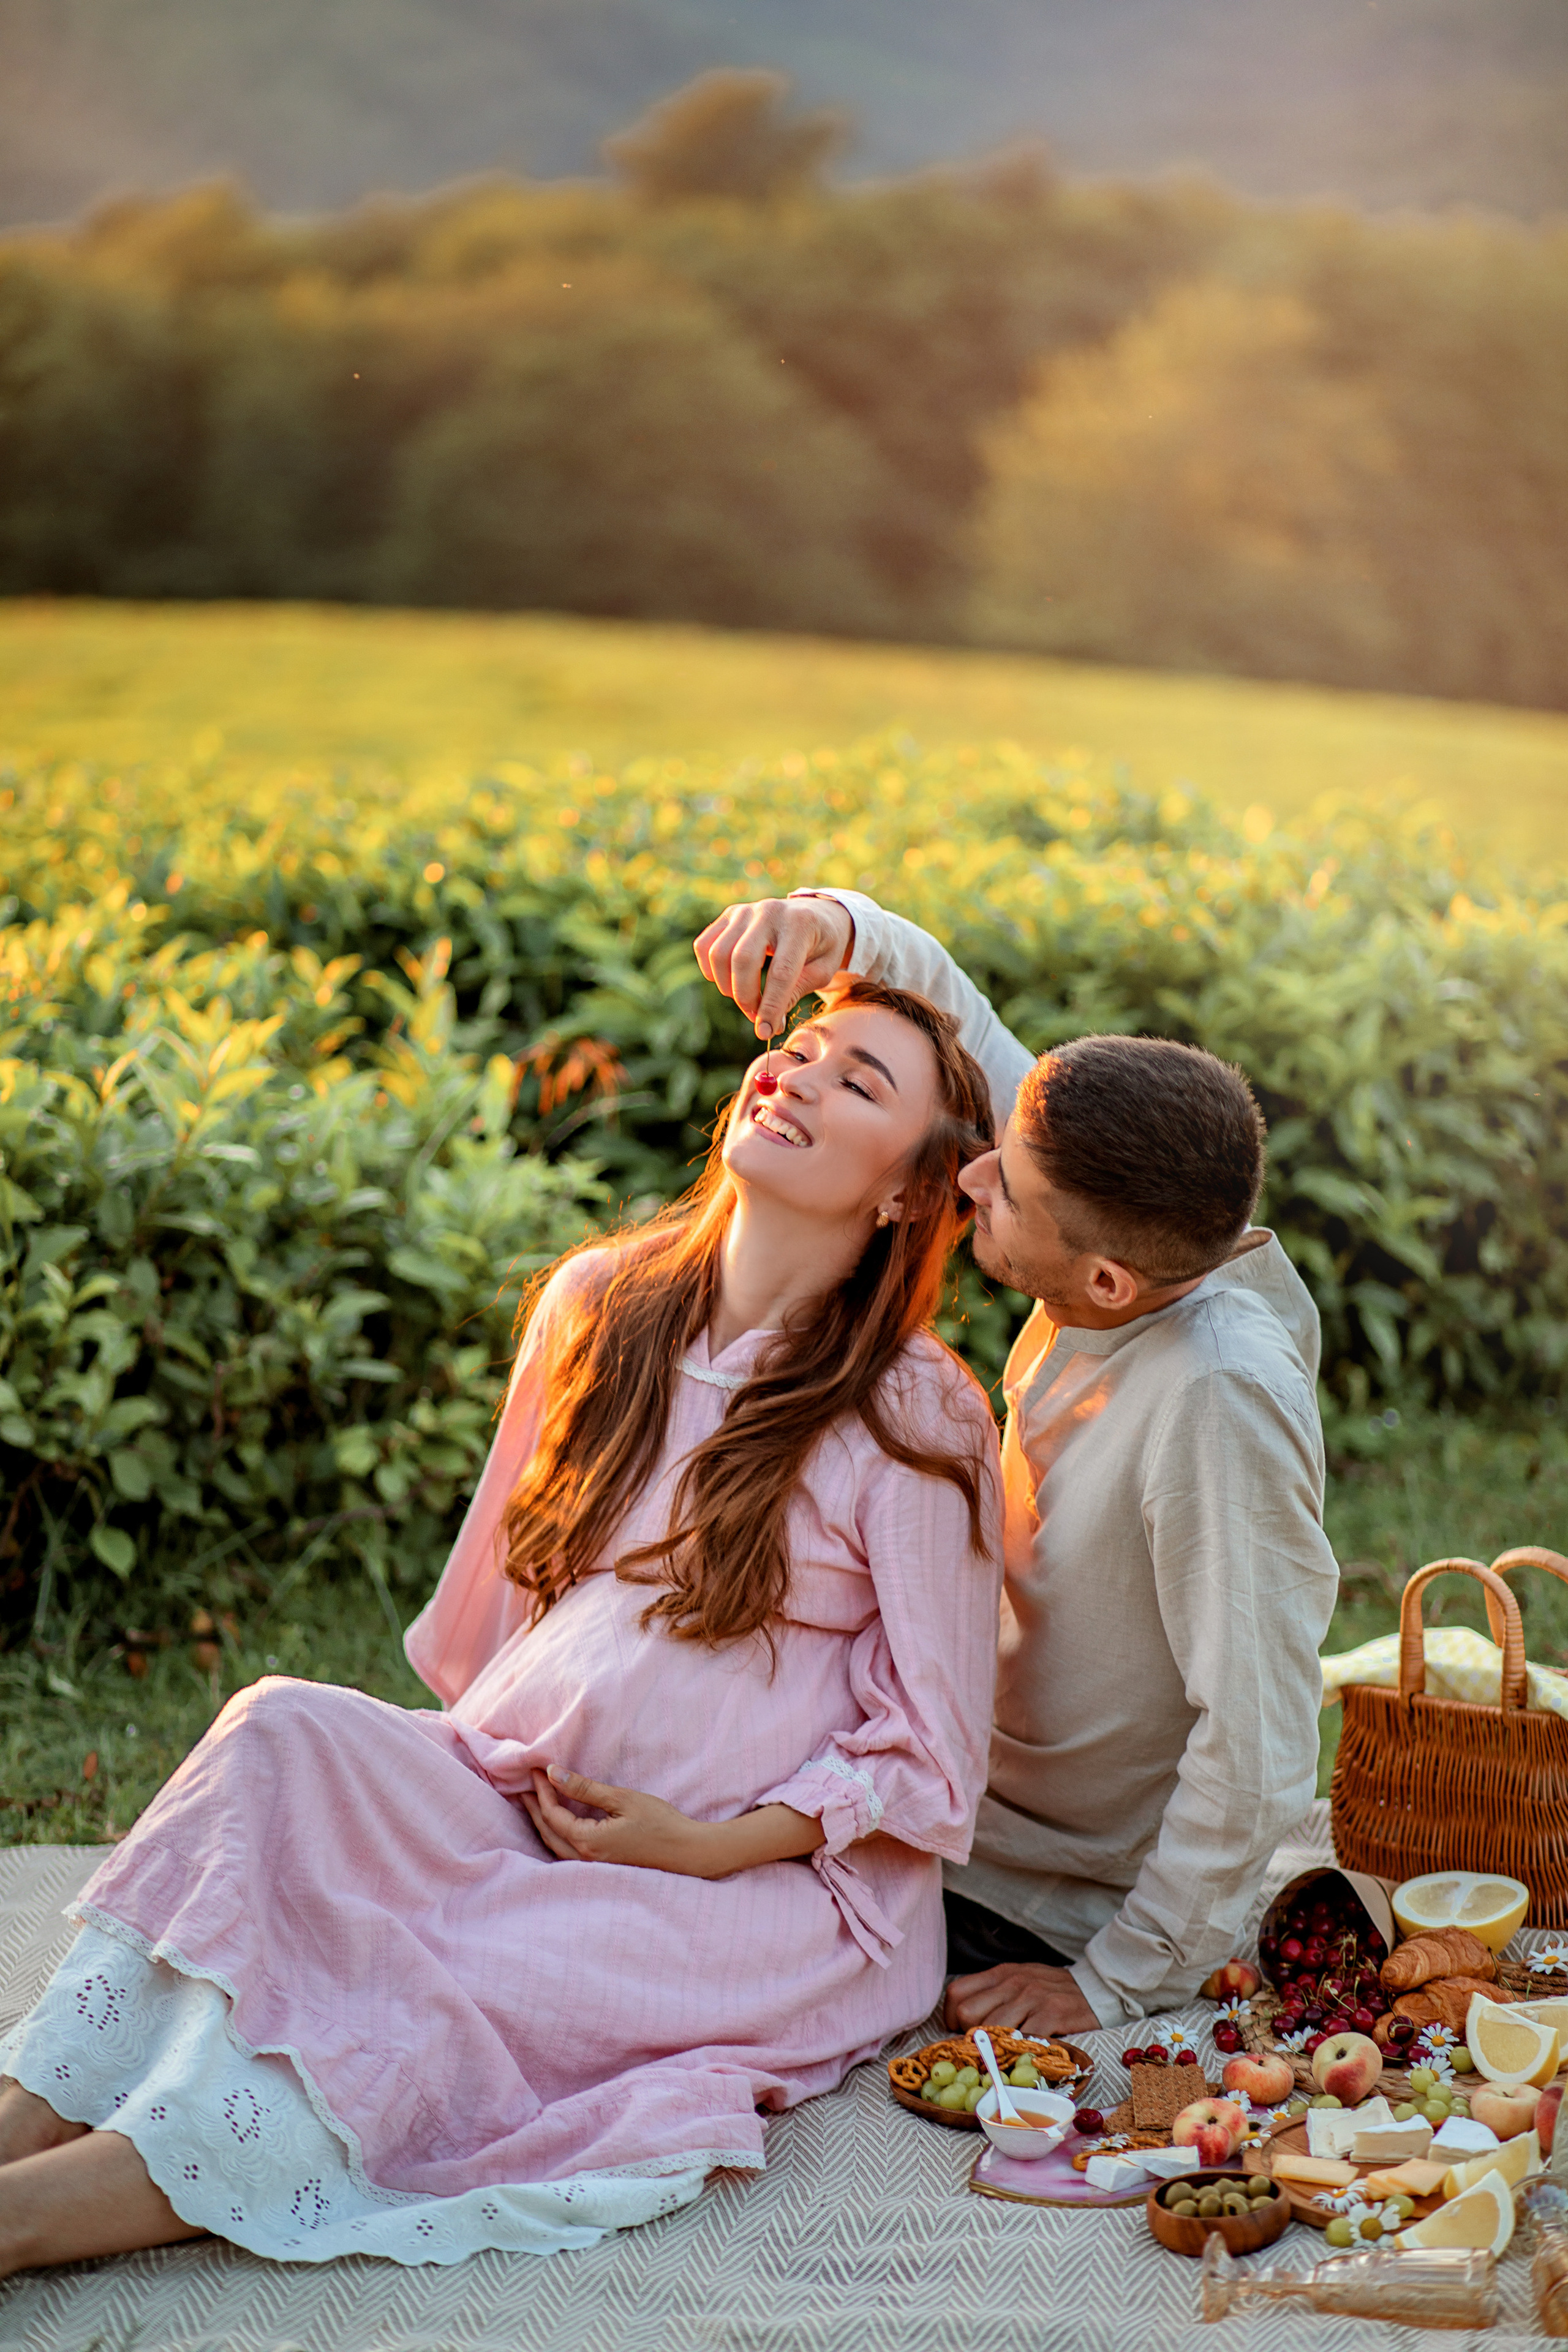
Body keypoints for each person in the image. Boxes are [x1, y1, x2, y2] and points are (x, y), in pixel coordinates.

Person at [0, 977, 1003, 2277]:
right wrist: (455, 1814)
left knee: (429, 1987)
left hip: (756, 1896)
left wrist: (697, 1845)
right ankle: (31, 2113)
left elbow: (931, 1754)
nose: (797, 1075)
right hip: (529, 1793)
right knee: (278, 1733)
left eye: (857, 1081)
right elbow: (509, 1592)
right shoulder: (599, 1302)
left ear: (909, 1193)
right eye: (795, 1049)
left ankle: (23, 2228)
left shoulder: (913, 1412)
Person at [696, 890, 1341, 2040]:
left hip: (1042, 1898)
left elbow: (1261, 1748)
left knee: (697, 1957)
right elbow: (948, 995)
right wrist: (827, 924)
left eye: (1010, 1190)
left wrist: (1114, 1981)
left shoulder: (1221, 1404)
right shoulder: (1093, 1179)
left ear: (1108, 1288)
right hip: (950, 1783)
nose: (974, 1176)